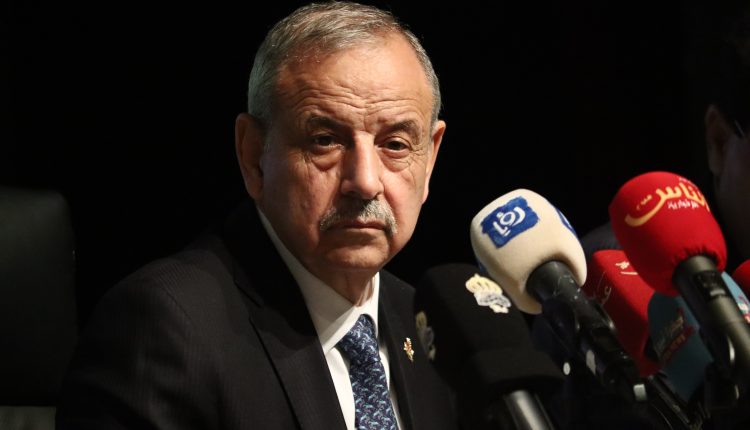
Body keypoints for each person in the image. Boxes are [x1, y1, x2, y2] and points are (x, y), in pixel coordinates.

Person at [55, 2, 457, 429]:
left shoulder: (436, 327)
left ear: (429, 159)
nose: (365, 181)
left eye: (395, 145)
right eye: (325, 140)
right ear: (252, 156)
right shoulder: (165, 328)